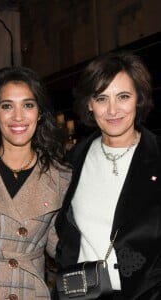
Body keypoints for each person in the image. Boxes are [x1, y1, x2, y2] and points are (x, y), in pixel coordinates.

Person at [53, 51, 161, 299]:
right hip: (80, 295)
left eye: (123, 96)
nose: (113, 110)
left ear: (138, 99)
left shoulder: (157, 157)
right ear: (90, 104)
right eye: (102, 98)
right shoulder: (72, 161)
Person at [0, 66, 71, 300]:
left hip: (28, 292)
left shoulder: (60, 177)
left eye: (28, 105)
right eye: (7, 106)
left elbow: (64, 247)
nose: (18, 116)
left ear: (40, 113)